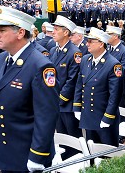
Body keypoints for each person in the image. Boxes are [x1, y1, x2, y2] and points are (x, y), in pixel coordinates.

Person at [0, 6, 59, 171]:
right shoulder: (2, 58)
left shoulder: (40, 66)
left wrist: (37, 156)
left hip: (26, 153)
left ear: (20, 33)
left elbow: (46, 116)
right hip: (6, 149)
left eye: (2, 30)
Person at [73, 27, 122, 146]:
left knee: (107, 154)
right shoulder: (85, 59)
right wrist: (77, 106)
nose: (87, 43)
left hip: (103, 115)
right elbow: (80, 84)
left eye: (91, 41)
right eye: (87, 40)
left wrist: (108, 117)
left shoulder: (113, 64)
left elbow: (115, 95)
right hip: (88, 114)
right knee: (91, 151)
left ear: (101, 44)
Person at [50, 15, 82, 159]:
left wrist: (60, 98)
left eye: (56, 30)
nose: (52, 32)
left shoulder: (74, 53)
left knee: (73, 138)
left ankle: (75, 164)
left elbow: (72, 80)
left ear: (66, 32)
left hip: (67, 104)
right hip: (55, 102)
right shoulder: (53, 51)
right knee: (62, 138)